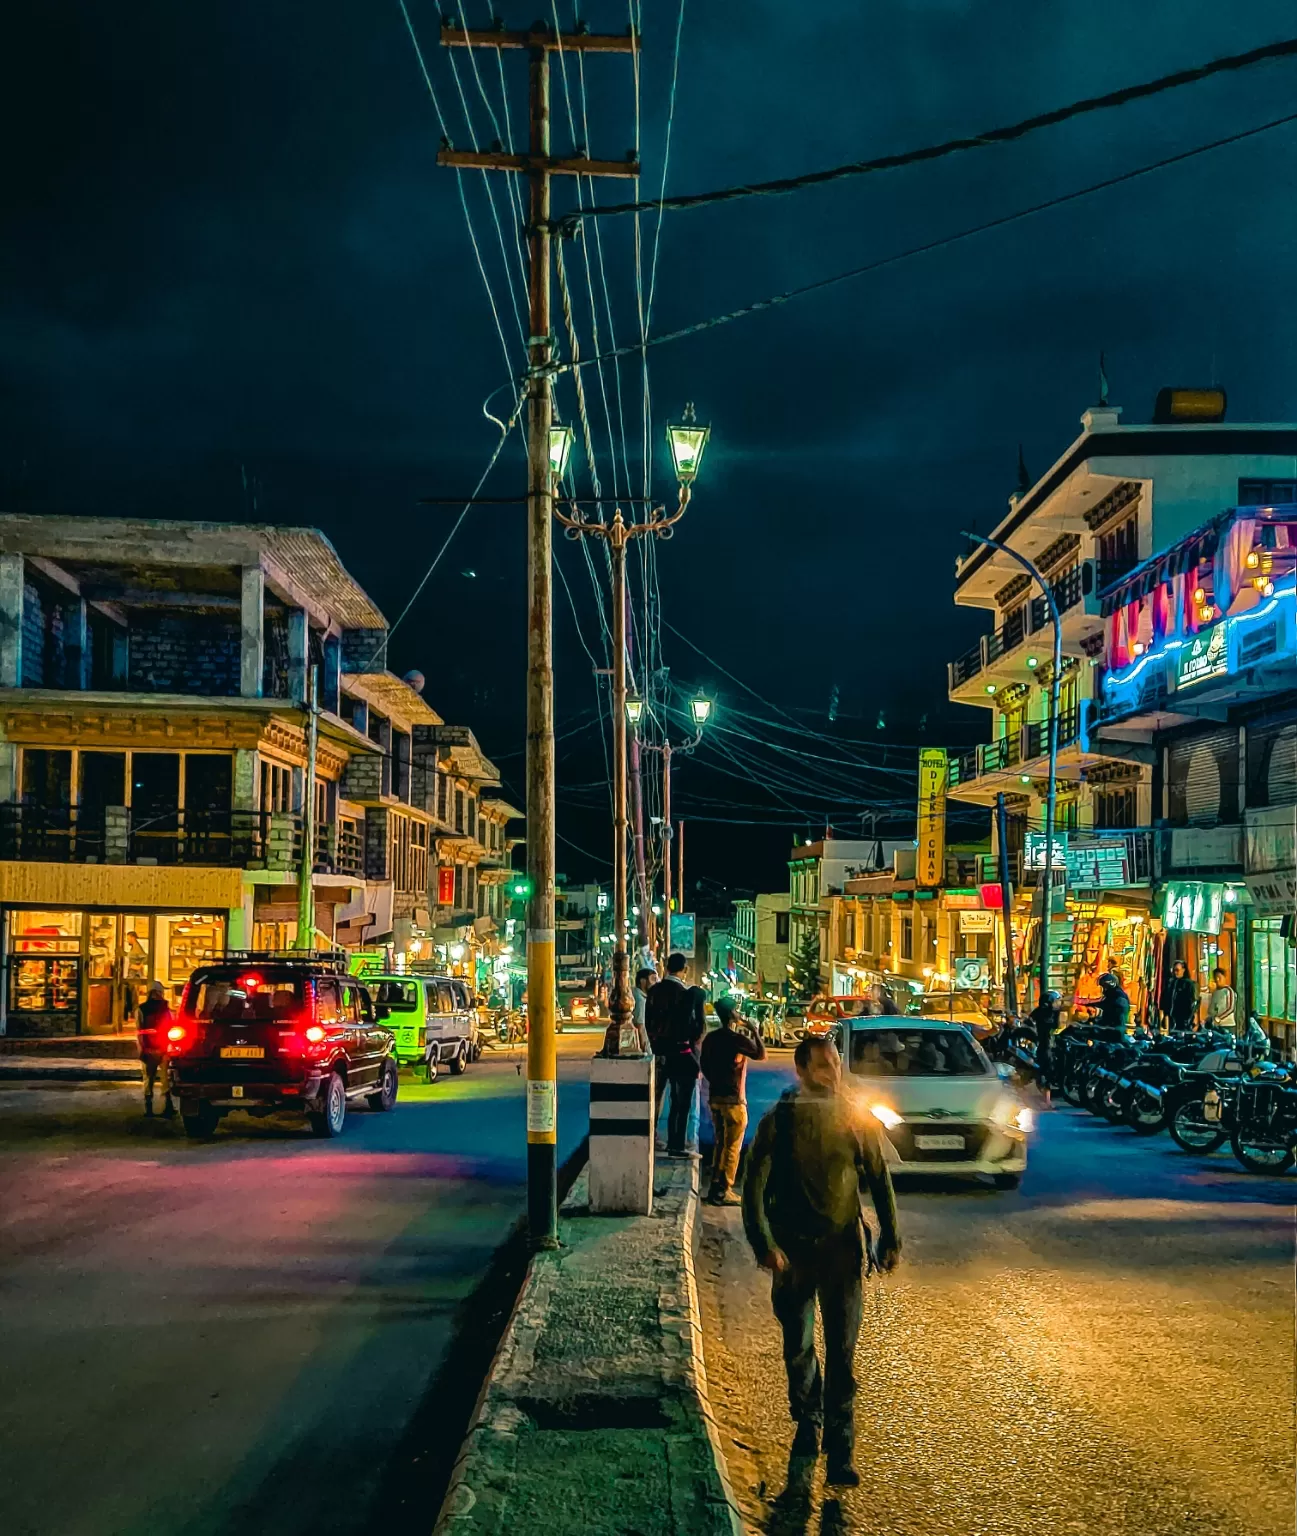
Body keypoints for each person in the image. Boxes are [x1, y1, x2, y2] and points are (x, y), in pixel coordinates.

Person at [743, 1037, 901, 1487]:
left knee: (844, 1353)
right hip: (792, 1254)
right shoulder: (782, 1121)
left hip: (843, 1251)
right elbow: (754, 1186)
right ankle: (808, 1419)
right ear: (802, 1071)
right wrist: (764, 1245)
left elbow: (878, 1176)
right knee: (798, 1347)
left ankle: (841, 1449)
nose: (832, 1074)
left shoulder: (855, 1117)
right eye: (822, 1067)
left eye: (835, 1065)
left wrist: (891, 1238)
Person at [700, 995, 767, 1204]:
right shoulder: (736, 1039)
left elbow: (704, 1065)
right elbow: (761, 1054)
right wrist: (754, 1029)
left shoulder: (711, 1038)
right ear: (732, 1015)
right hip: (734, 1101)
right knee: (732, 1147)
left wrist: (716, 1081)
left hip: (715, 1098)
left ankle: (715, 1187)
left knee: (721, 1143)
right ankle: (723, 1190)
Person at [645, 952, 706, 1156]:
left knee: (656, 1099)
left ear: (666, 967)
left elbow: (647, 1024)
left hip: (658, 1052)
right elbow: (692, 1026)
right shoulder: (684, 994)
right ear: (685, 970)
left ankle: (651, 1138)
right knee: (679, 1102)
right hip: (680, 1052)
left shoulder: (653, 992)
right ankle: (677, 1143)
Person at [136, 980, 176, 1119]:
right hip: (162, 1048)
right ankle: (168, 1107)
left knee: (149, 1079)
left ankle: (150, 1108)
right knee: (165, 1079)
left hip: (150, 1048)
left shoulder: (141, 1009)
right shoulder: (166, 1009)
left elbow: (139, 1030)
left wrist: (142, 1049)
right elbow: (171, 1028)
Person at [1029, 989, 1062, 1087]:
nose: (1057, 1004)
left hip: (1052, 1042)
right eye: (1055, 1001)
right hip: (1044, 1043)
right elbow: (1029, 1021)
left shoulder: (1056, 1013)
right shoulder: (1042, 1012)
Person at [1162, 961, 1198, 1032]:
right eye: (1174, 970)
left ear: (1183, 970)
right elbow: (1166, 1000)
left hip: (1184, 1018)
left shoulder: (1188, 984)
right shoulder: (1171, 983)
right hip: (1171, 1017)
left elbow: (1192, 1002)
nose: (1175, 973)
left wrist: (1193, 1019)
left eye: (1177, 970)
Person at [632, 966, 655, 1065]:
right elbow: (640, 1025)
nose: (655, 983)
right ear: (643, 981)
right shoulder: (640, 999)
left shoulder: (636, 994)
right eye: (653, 979)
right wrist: (646, 1049)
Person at [1207, 968, 1237, 1035]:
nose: (1217, 979)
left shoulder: (1229, 991)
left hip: (1227, 1025)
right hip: (1216, 1026)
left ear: (1224, 977)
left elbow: (1231, 1008)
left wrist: (1219, 1018)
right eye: (1215, 977)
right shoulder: (1215, 992)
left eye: (1219, 977)